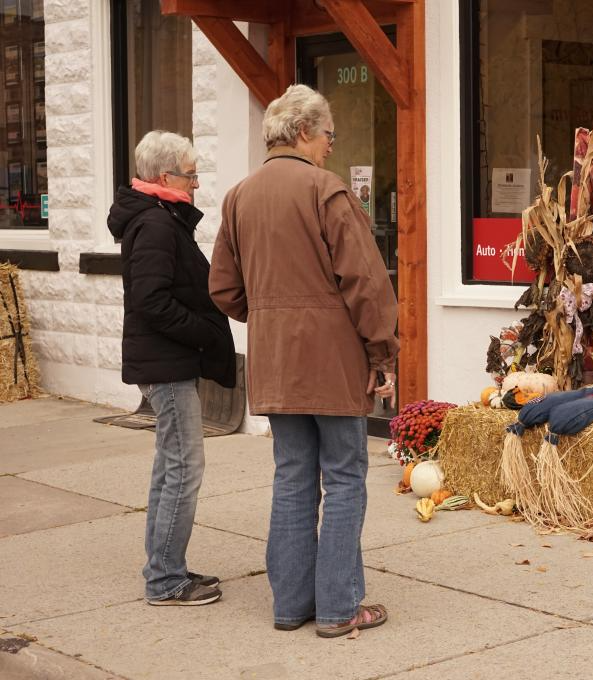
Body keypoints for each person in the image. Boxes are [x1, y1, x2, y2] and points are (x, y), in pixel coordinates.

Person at [209, 84, 399, 638]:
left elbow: (223, 289)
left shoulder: (239, 196)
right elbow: (366, 282)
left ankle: (291, 606)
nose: (330, 147)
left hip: (276, 361)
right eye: (327, 135)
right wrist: (382, 353)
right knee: (344, 478)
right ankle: (340, 609)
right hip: (333, 361)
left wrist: (270, 315)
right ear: (301, 133)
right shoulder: (326, 191)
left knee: (292, 477)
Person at [108, 130, 236, 606]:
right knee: (184, 467)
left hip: (165, 361)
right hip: (166, 365)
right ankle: (165, 580)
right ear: (166, 176)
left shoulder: (158, 219)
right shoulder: (158, 225)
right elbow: (151, 301)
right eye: (192, 173)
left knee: (171, 466)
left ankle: (165, 567)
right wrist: (204, 333)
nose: (197, 183)